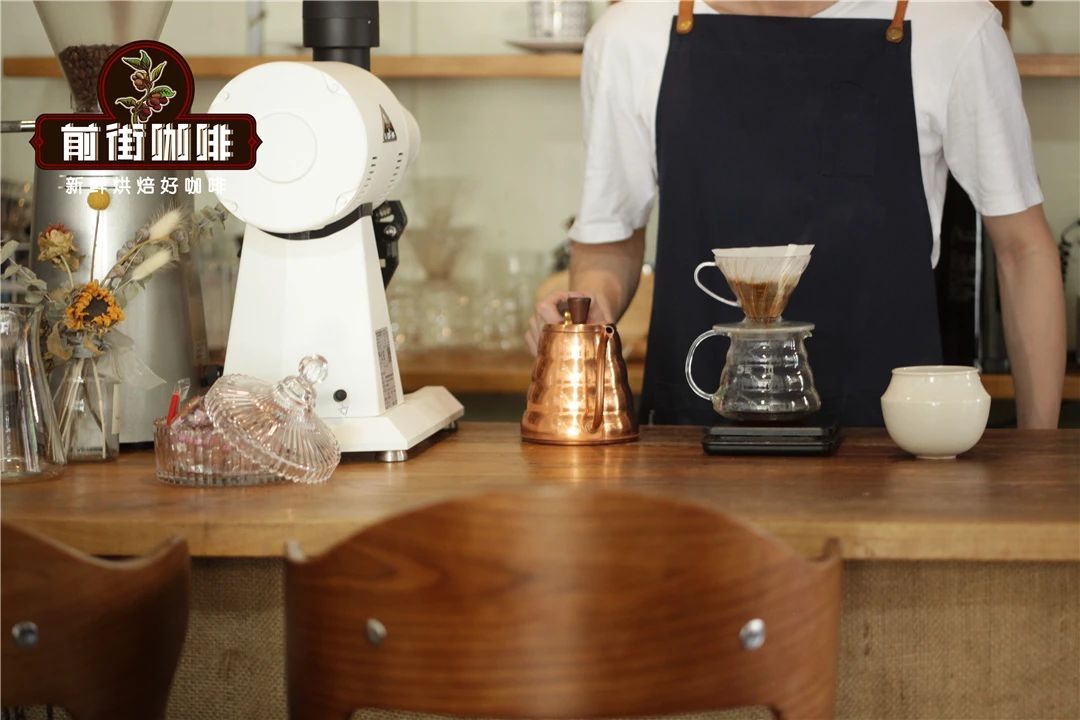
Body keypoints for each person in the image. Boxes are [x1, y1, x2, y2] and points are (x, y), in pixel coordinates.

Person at [526, 0, 1065, 428]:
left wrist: (1041, 452)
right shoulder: (630, 34)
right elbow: (609, 242)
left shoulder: (953, 25)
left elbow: (1022, 249)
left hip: (894, 436)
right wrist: (593, 305)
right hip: (690, 436)